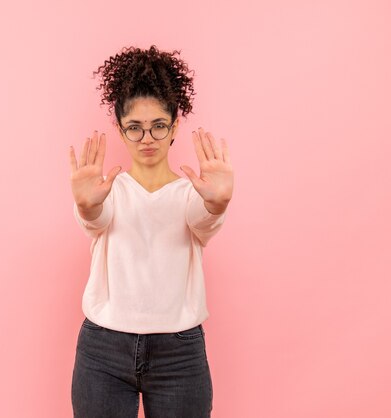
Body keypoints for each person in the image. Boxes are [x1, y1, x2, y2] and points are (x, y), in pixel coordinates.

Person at [68, 45, 234, 418]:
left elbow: (204, 219)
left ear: (175, 127)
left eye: (159, 126)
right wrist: (85, 205)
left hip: (180, 354)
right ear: (121, 130)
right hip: (103, 351)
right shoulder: (108, 191)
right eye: (135, 128)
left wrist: (218, 203)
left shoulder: (192, 194)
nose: (147, 138)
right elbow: (95, 218)